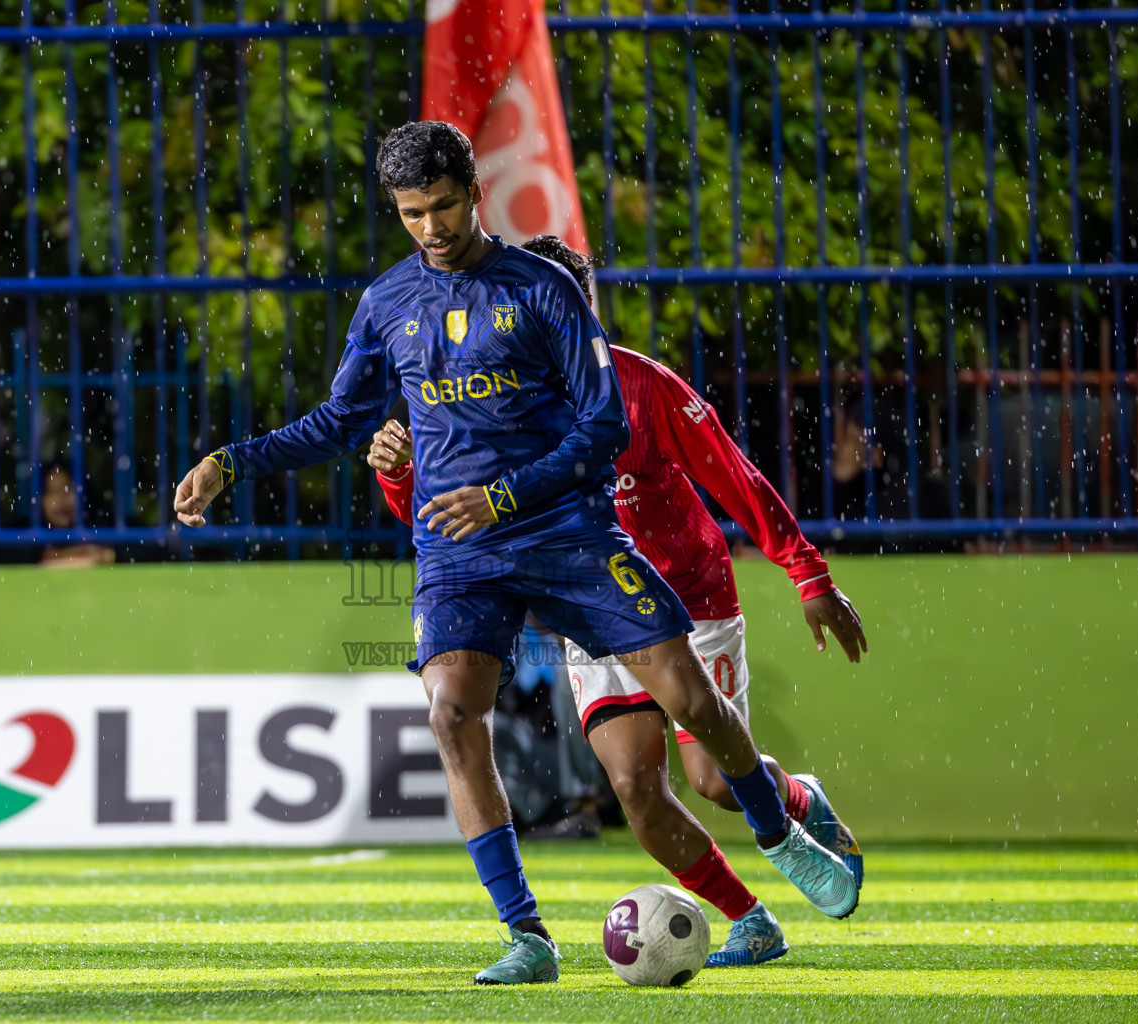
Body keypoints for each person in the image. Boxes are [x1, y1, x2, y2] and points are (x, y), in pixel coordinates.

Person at [174, 121, 859, 985]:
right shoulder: (387, 304)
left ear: (475, 190)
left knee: (691, 698)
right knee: (453, 714)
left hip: (569, 536)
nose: (430, 227)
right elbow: (339, 422)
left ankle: (775, 830)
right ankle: (527, 936)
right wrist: (231, 461)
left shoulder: (542, 288)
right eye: (411, 212)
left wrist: (505, 493)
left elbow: (604, 423)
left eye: (443, 205)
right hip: (462, 554)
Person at [368, 235, 868, 968]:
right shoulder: (488, 399)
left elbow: (734, 476)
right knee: (636, 789)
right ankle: (753, 920)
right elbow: (448, 515)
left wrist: (808, 574)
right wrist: (400, 476)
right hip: (588, 606)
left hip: (686, 598)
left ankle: (793, 801)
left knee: (712, 782)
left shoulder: (642, 386)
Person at [40, 462, 114, 567]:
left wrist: (108, 555)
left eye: (67, 489)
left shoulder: (104, 526)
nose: (60, 499)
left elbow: (135, 549)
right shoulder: (24, 533)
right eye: (52, 491)